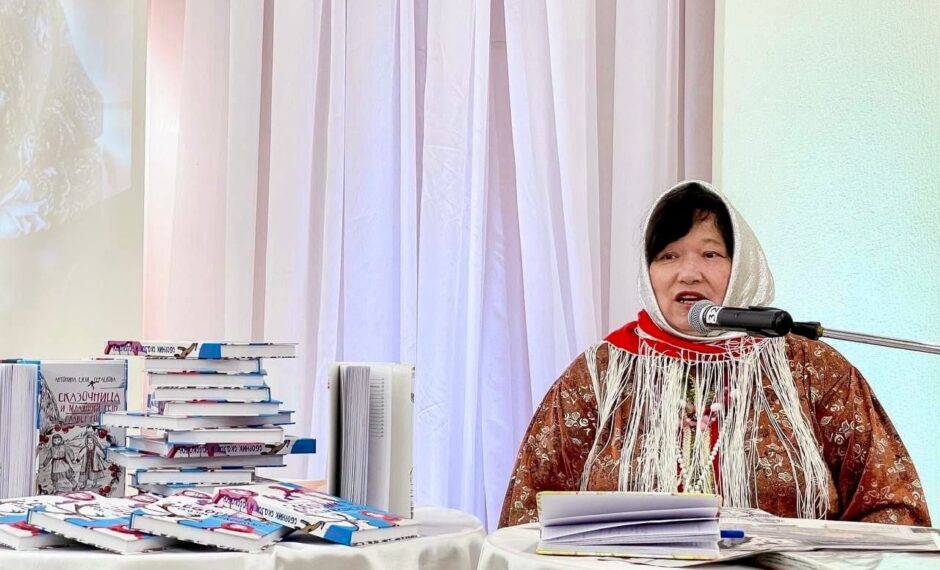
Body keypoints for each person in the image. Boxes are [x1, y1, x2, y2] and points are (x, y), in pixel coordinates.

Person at [499, 180, 930, 527]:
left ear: (741, 265)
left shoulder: (810, 369)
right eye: (668, 255)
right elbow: (528, 512)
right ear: (648, 272)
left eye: (710, 253)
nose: (689, 273)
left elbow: (893, 504)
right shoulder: (600, 373)